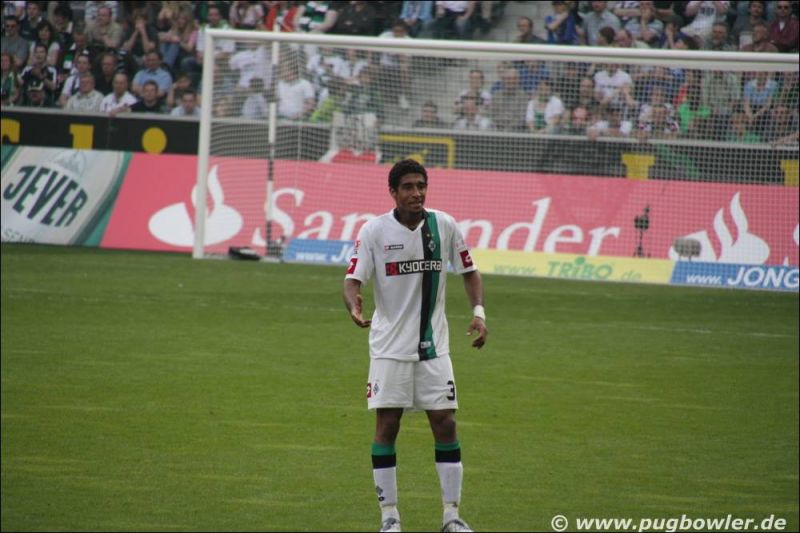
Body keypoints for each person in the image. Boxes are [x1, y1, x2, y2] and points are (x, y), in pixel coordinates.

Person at [343, 158, 487, 533]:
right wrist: (353, 304)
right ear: (393, 192)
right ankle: (389, 517)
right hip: (389, 349)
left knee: (446, 423)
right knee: (387, 425)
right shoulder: (374, 231)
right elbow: (352, 279)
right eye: (407, 186)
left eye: (421, 185)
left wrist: (479, 312)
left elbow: (470, 271)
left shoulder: (445, 225)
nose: (416, 193)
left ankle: (451, 516)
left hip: (433, 348)